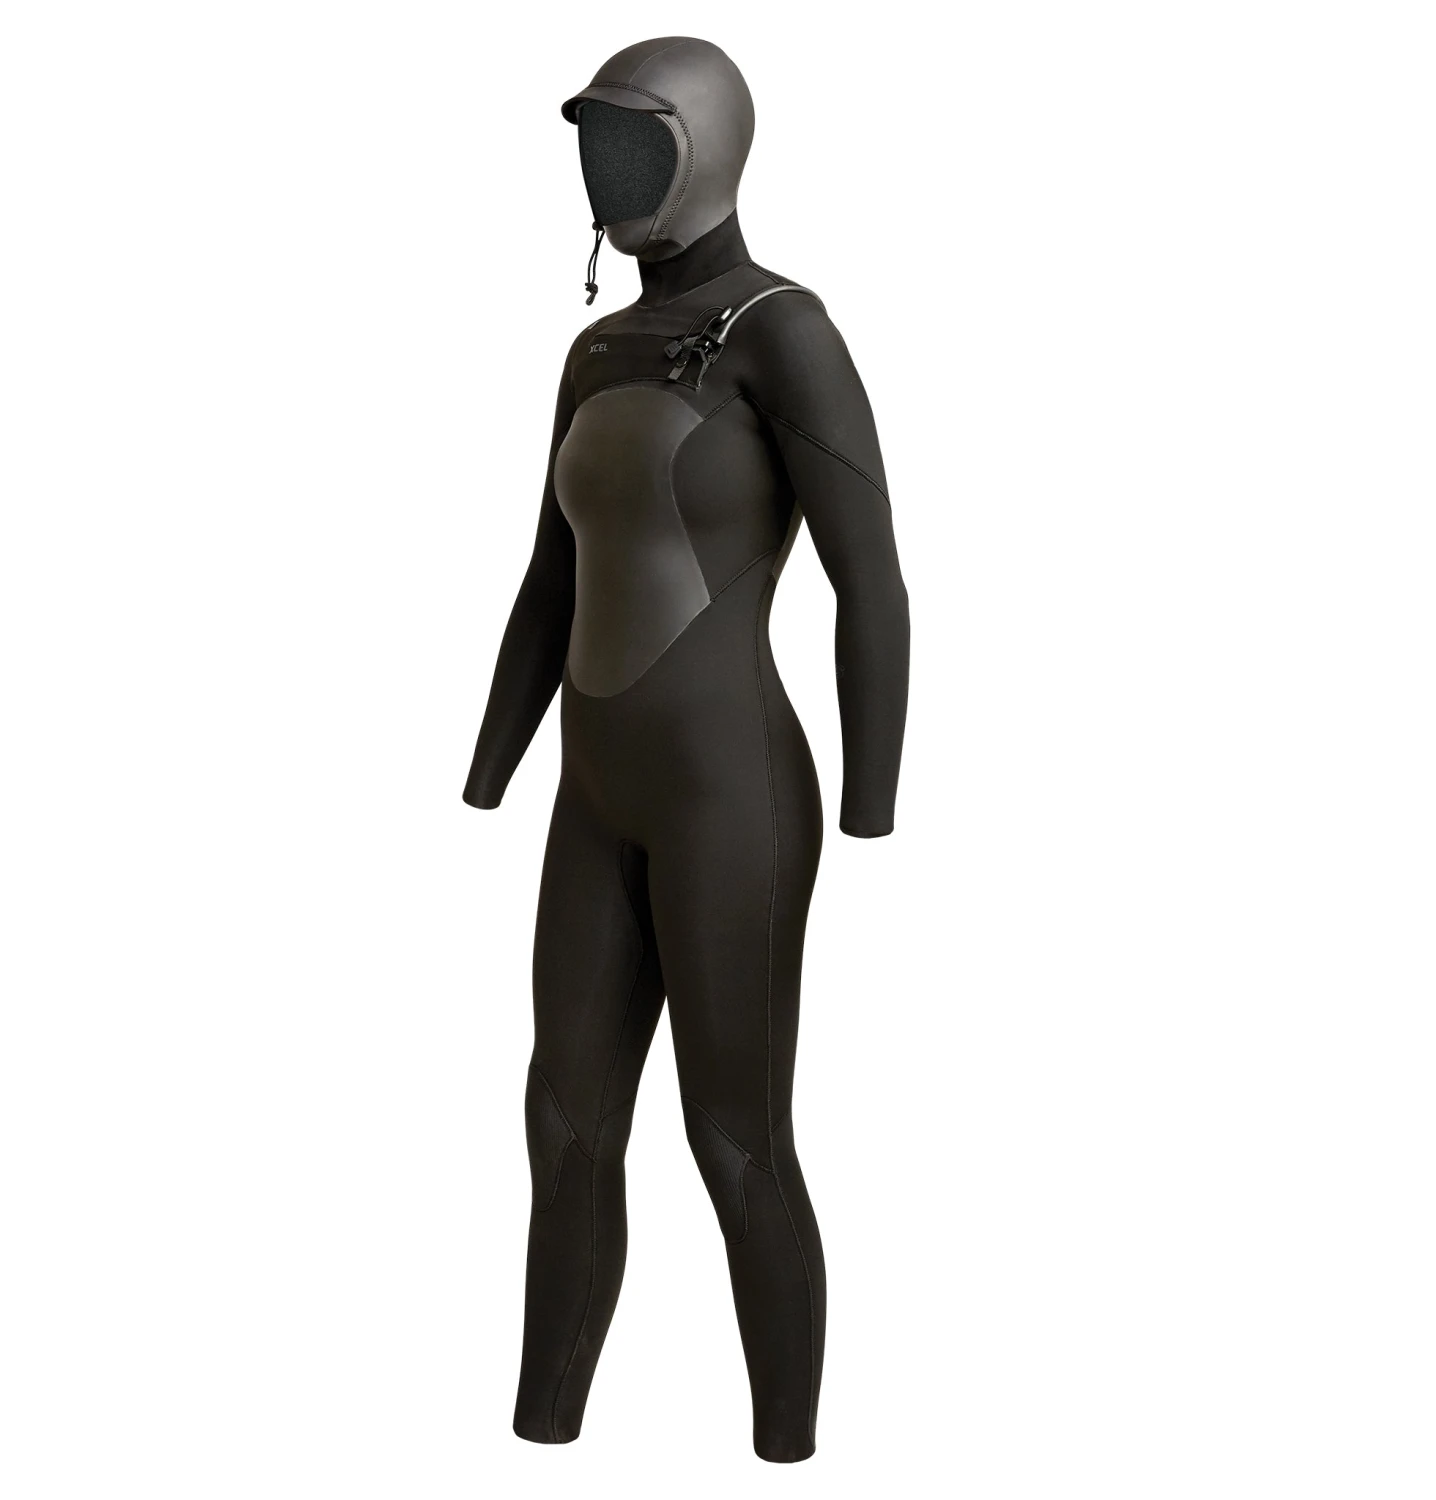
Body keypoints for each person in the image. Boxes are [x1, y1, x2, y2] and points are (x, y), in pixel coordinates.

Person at [463, 36, 910, 1462]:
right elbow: (551, 573)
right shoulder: (594, 350)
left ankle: (788, 1455)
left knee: (735, 1140)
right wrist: (491, 762)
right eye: (591, 143)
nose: (603, 172)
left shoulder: (785, 329)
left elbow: (871, 579)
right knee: (563, 1124)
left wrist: (873, 797)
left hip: (733, 798)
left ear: (704, 149)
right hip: (593, 795)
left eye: (632, 143)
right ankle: (540, 1439)